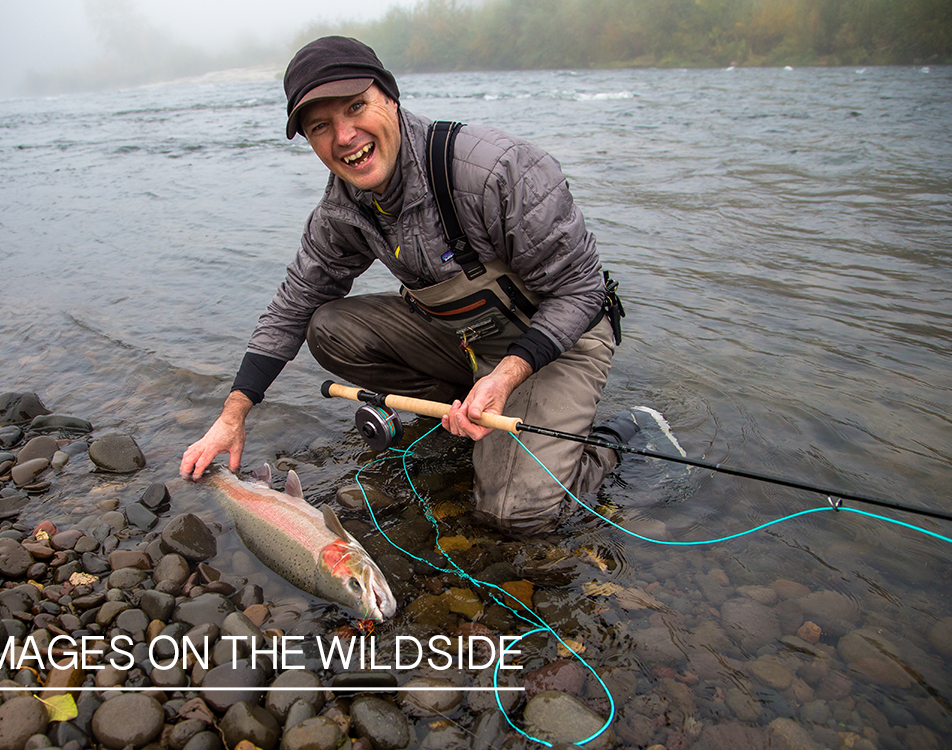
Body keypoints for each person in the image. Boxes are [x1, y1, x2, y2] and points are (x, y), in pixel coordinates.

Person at [181, 36, 638, 534]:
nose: (345, 136)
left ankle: (613, 438)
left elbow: (582, 290)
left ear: (391, 98)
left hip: (559, 343)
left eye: (357, 107)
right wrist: (233, 414)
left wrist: (505, 377)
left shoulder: (495, 169)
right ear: (309, 141)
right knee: (328, 325)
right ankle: (472, 414)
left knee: (515, 517)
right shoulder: (342, 211)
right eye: (320, 126)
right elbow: (294, 305)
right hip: (470, 343)